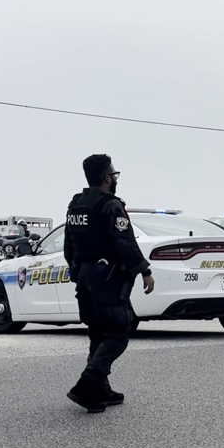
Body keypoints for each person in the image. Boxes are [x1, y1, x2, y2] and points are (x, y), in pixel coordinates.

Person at [62, 154, 155, 413]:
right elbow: (124, 242)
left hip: (84, 276)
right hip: (107, 278)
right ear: (106, 178)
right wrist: (145, 271)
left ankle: (99, 390)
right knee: (118, 332)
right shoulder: (111, 206)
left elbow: (69, 244)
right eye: (114, 174)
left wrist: (78, 269)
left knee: (98, 332)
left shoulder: (76, 205)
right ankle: (88, 383)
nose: (115, 179)